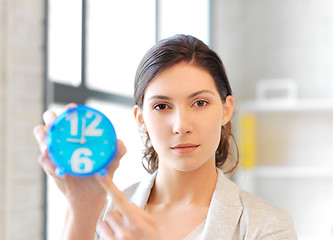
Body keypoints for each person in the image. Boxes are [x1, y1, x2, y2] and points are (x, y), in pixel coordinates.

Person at [34, 34, 297, 240]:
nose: (181, 126)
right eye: (162, 106)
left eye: (200, 103)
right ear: (141, 118)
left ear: (226, 109)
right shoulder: (101, 214)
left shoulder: (267, 226)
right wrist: (82, 208)